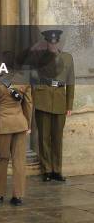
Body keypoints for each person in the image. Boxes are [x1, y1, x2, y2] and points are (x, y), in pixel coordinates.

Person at [32, 30, 74, 182]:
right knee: (44, 137)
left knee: (57, 138)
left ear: (59, 43)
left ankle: (57, 170)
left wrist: (69, 104)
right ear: (47, 43)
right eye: (50, 42)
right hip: (42, 99)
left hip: (60, 100)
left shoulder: (67, 58)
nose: (53, 45)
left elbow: (71, 82)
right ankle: (46, 170)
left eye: (55, 42)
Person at [0, 74, 33, 205]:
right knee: (19, 161)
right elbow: (28, 104)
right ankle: (17, 196)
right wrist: (28, 125)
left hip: (3, 125)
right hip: (20, 123)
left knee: (2, 159)